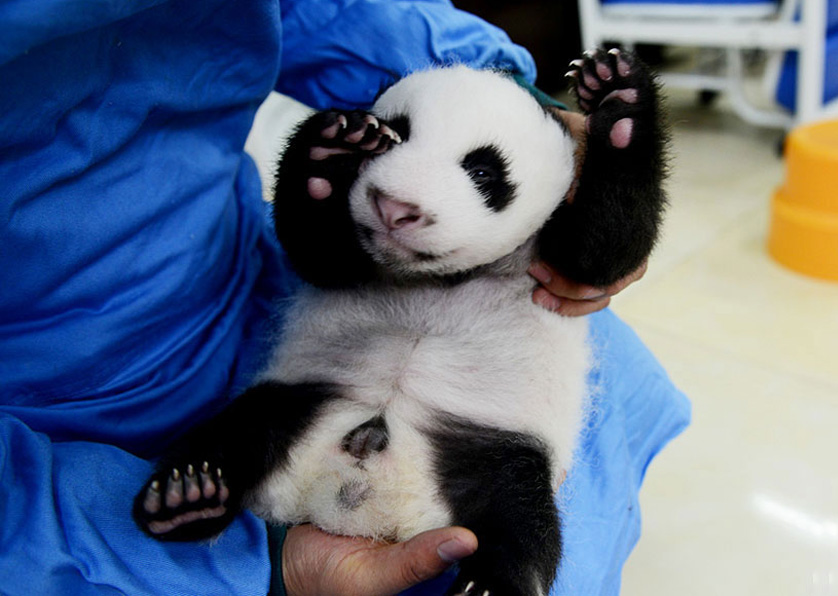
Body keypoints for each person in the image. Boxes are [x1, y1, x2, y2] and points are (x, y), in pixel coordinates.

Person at [0, 1, 691, 595]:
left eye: (480, 168)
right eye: (397, 143)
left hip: (457, 431)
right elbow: (323, 255)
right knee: (252, 428)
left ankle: (511, 580)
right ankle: (201, 507)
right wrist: (269, 567)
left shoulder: (542, 175)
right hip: (80, 379)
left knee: (521, 496)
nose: (404, 198)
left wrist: (593, 155)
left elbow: (334, 10)